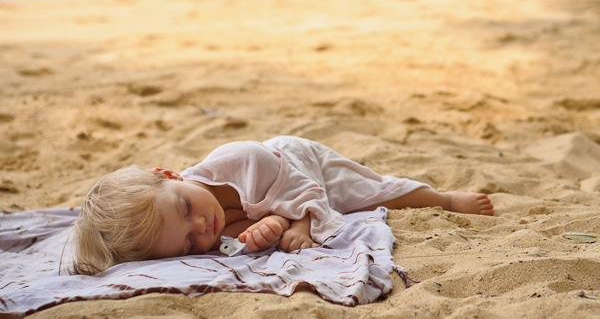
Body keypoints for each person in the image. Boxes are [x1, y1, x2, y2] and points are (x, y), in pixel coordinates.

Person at [70, 135, 494, 275]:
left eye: (184, 210)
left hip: (300, 163)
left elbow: (301, 190)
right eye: (186, 244)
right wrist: (269, 230)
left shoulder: (237, 160)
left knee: (369, 190)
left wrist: (300, 227)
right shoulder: (211, 235)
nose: (202, 226)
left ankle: (444, 198)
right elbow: (256, 230)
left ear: (170, 176)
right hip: (287, 193)